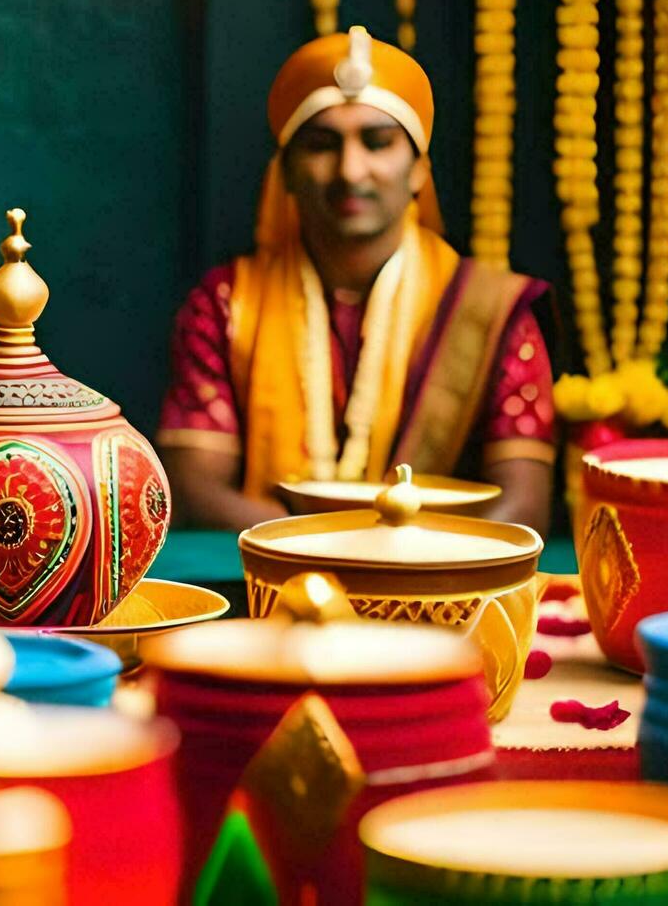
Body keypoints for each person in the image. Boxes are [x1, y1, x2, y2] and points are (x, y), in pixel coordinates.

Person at [158, 26, 554, 533]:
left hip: (439, 599)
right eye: (323, 145)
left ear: (418, 171)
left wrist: (392, 566)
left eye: (378, 142)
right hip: (273, 591)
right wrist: (332, 556)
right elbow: (194, 490)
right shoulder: (228, 303)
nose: (351, 170)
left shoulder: (492, 311)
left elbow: (522, 511)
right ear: (288, 171)